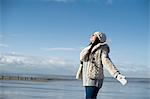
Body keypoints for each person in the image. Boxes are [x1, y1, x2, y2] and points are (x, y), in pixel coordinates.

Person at [76, 31, 128, 99]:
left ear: (98, 37)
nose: (92, 35)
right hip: (87, 79)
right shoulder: (88, 48)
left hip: (94, 78)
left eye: (94, 35)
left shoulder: (102, 48)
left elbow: (106, 61)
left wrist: (117, 75)